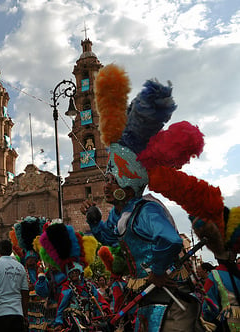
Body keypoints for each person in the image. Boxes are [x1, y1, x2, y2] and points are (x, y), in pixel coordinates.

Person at [81, 64, 206, 331]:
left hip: (170, 300)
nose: (105, 185)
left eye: (110, 179)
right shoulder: (120, 214)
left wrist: (158, 271)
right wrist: (94, 221)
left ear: (125, 183)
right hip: (147, 297)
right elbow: (111, 237)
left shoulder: (146, 211)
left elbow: (171, 240)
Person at [0, 239, 29, 332]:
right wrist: (25, 315)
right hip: (17, 315)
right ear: (11, 251)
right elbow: (25, 294)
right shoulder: (20, 267)